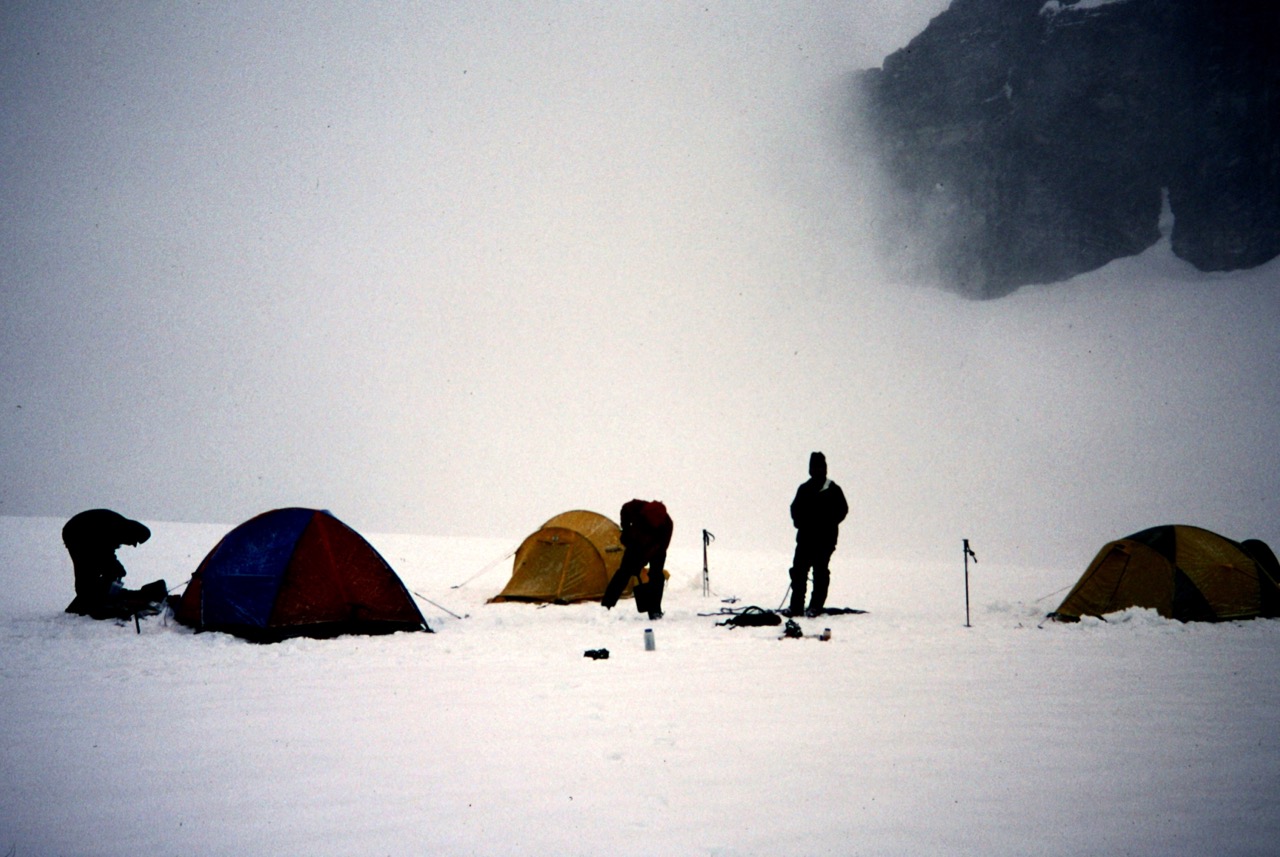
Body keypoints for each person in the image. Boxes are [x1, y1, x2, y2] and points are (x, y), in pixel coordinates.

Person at [62, 508, 166, 619]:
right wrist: (115, 568)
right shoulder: (117, 528)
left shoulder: (120, 528)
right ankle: (84, 606)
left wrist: (115, 568)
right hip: (77, 534)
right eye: (134, 541)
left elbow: (106, 552)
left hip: (84, 535)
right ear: (133, 533)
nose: (133, 545)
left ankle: (89, 602)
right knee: (87, 572)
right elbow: (104, 552)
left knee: (96, 572)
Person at [788, 452, 848, 617]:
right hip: (805, 539)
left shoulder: (833, 489)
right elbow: (794, 510)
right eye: (813, 466)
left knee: (820, 572)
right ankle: (796, 606)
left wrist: (826, 523)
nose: (816, 470)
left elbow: (842, 510)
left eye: (819, 466)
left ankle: (815, 606)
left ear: (824, 468)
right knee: (799, 572)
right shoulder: (804, 488)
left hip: (825, 541)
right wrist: (800, 522)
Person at [601, 499, 673, 620]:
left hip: (656, 549)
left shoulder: (666, 525)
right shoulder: (636, 507)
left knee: (656, 576)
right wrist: (626, 528)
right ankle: (606, 605)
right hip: (635, 545)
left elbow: (660, 548)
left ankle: (654, 610)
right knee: (624, 573)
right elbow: (624, 508)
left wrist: (641, 563)